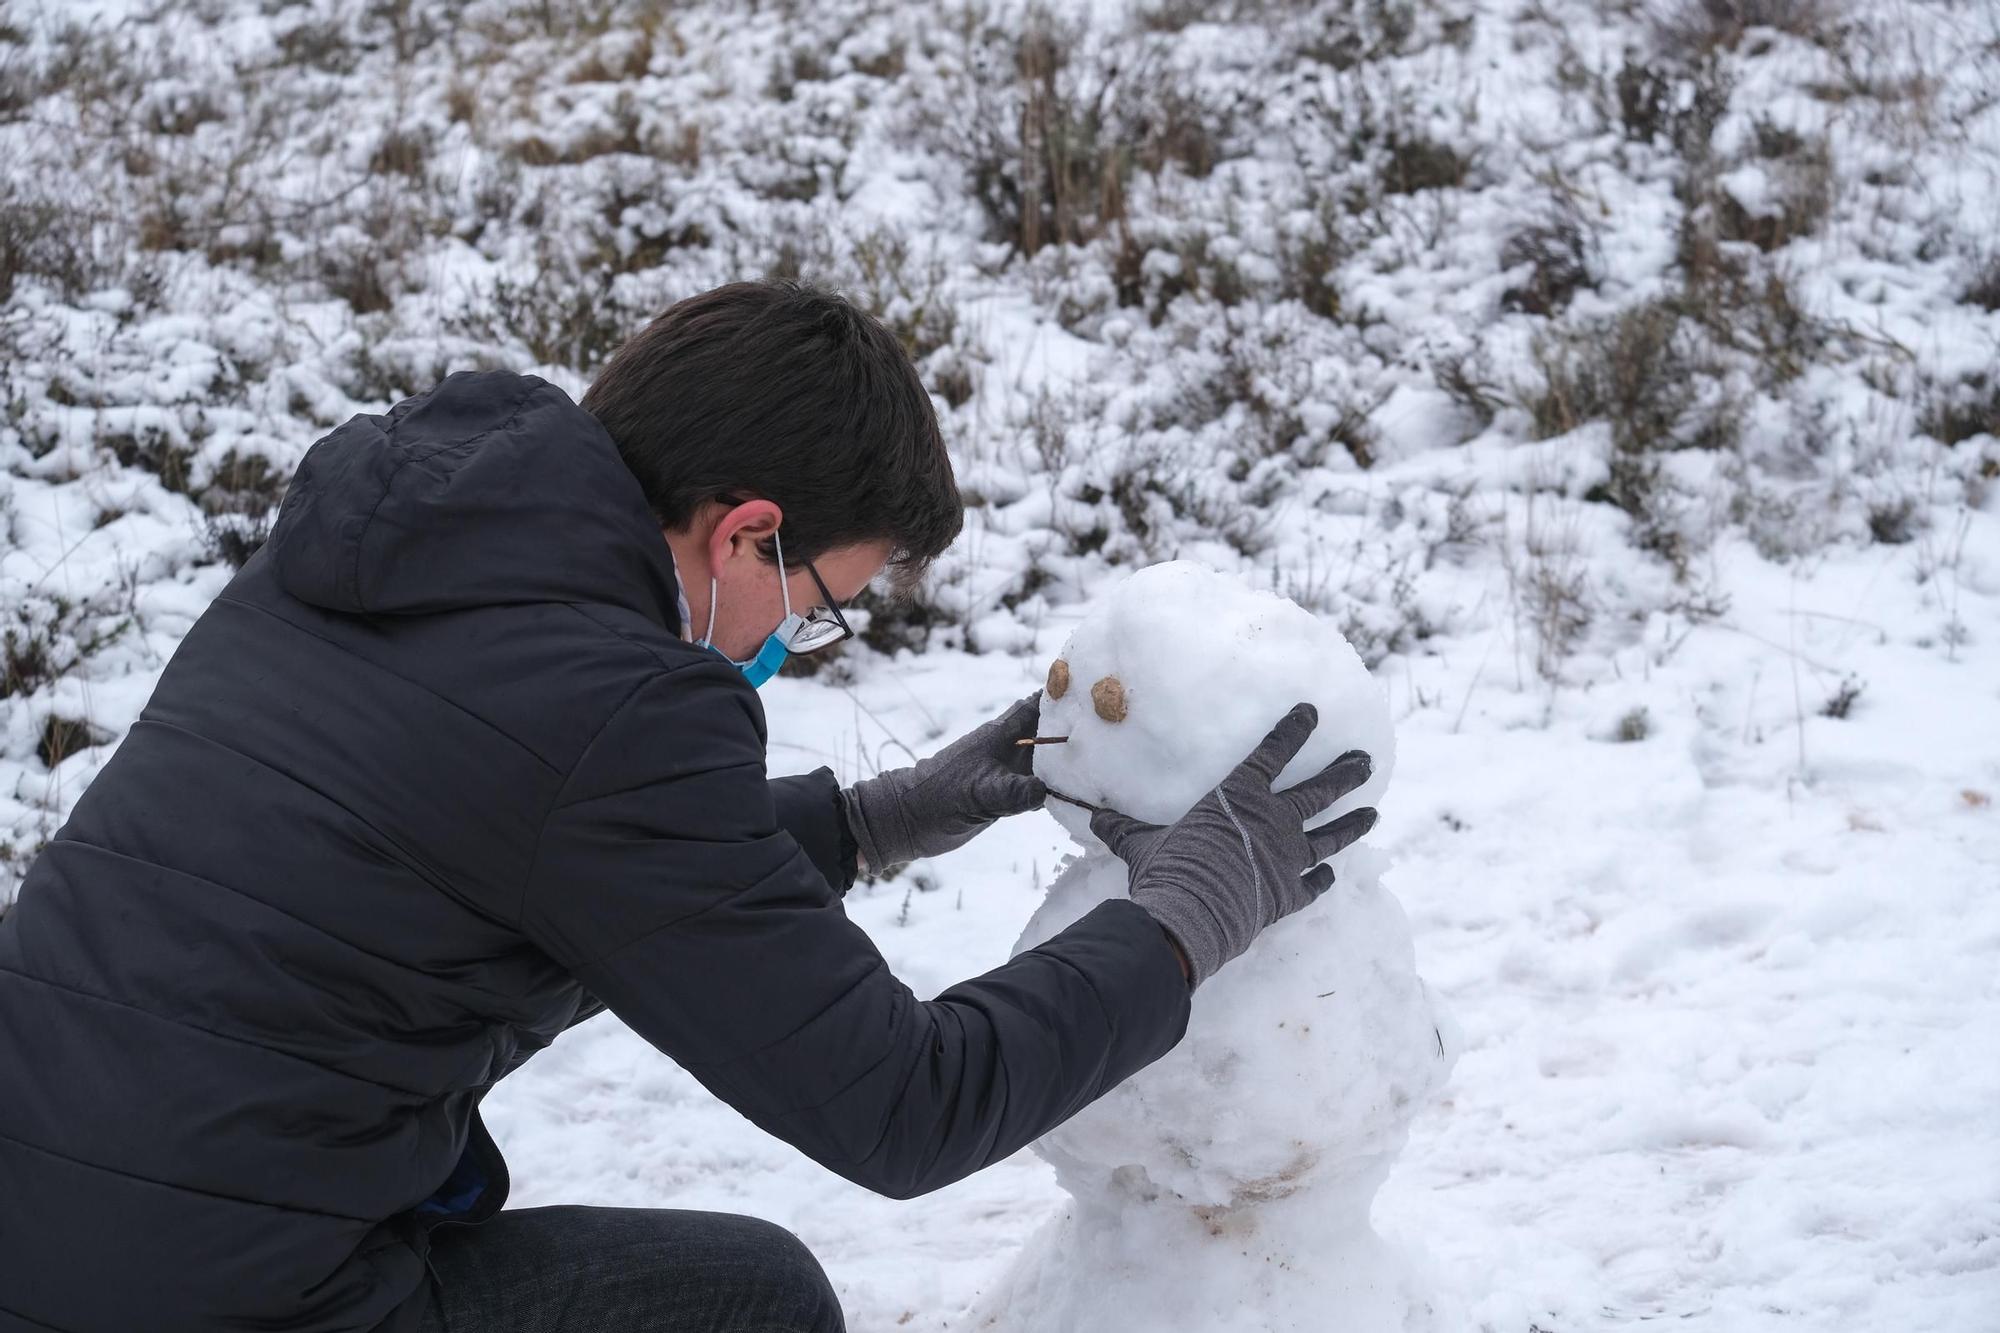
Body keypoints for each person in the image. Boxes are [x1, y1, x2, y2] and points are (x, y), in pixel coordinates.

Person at [0, 278, 1378, 1333]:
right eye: (820, 605)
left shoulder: (375, 557)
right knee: (749, 1302)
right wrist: (1190, 916)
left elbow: (553, 862)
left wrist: (879, 815)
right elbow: (907, 1104)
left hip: (44, 1227)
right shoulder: (619, 706)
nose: (798, 638)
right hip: (212, 1298)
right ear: (744, 533)